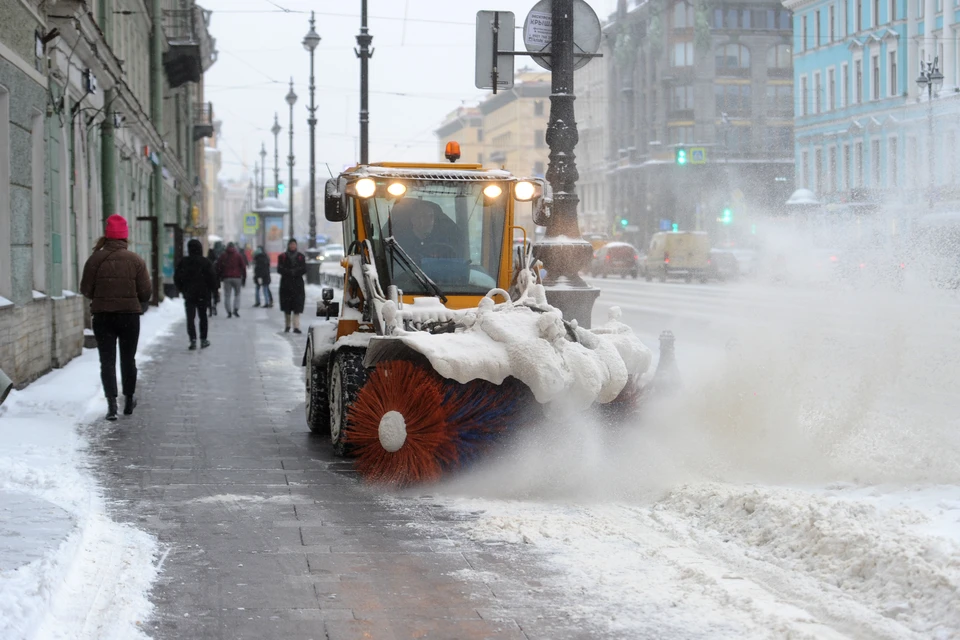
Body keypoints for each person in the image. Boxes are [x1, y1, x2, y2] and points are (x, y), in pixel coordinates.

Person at [80, 214, 152, 421]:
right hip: (129, 316)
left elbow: (85, 289)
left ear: (107, 235)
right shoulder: (136, 260)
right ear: (125, 237)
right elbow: (146, 293)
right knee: (128, 359)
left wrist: (103, 294)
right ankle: (129, 400)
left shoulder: (95, 259)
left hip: (103, 317)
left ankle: (111, 405)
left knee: (107, 361)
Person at [174, 239, 218, 350]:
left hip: (189, 294)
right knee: (203, 316)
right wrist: (214, 292)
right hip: (203, 294)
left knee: (190, 318)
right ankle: (203, 339)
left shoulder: (184, 262)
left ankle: (192, 340)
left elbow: (177, 278)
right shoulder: (206, 262)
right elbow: (212, 278)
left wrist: (182, 290)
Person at [389, 198, 460, 263]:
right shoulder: (397, 245)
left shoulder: (444, 247)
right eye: (423, 216)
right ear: (413, 220)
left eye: (431, 216)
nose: (429, 220)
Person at [277, 238, 306, 333]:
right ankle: (287, 325)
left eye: (294, 244)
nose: (293, 246)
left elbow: (304, 269)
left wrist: (295, 272)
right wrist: (289, 272)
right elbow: (279, 269)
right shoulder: (282, 256)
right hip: (286, 284)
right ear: (288, 245)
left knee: (297, 306)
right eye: (291, 244)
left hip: (298, 285)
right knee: (287, 306)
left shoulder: (301, 256)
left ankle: (296, 326)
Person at [216, 242, 247, 318]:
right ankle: (236, 309)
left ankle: (229, 311)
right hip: (237, 278)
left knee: (227, 295)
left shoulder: (223, 256)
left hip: (227, 278)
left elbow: (218, 267)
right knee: (237, 294)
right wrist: (244, 278)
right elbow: (243, 267)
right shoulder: (238, 255)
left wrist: (219, 277)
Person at [206, 247, 221, 316]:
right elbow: (219, 270)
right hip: (215, 280)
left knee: (208, 295)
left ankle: (210, 308)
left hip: (207, 280)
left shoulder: (206, 261)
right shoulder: (217, 261)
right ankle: (215, 304)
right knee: (215, 293)